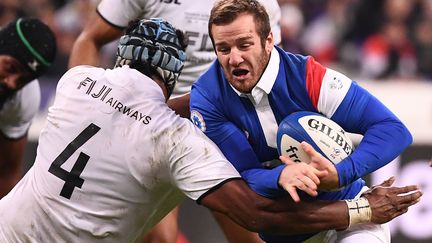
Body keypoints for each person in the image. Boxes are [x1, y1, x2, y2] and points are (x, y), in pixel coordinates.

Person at [0, 17, 422, 243]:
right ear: (172, 76)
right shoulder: (175, 138)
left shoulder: (77, 82)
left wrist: (215, 97)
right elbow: (255, 213)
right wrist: (365, 209)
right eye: (224, 49)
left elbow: (129, 107)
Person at [189, 0, 415, 242]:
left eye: (245, 45)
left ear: (269, 41)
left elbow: (393, 129)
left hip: (352, 219)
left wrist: (341, 174)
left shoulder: (309, 77)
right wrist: (280, 177)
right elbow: (242, 177)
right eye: (223, 49)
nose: (234, 59)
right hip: (288, 233)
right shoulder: (208, 98)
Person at [68, 0, 281, 242]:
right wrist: (83, 106)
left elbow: (268, 67)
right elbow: (90, 39)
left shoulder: (260, 4)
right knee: (157, 239)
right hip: (150, 124)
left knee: (252, 230)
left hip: (220, 123)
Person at [0, 17, 56, 198]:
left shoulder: (26, 97)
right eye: (11, 67)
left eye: (23, 80)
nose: (11, 82)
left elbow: (7, 172)